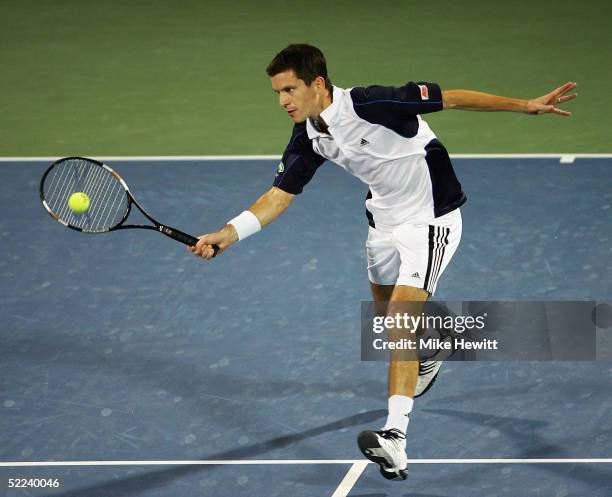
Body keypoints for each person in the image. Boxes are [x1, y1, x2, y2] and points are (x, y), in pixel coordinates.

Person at [189, 44, 577, 480]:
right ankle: (431, 349)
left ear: (317, 83)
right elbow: (279, 196)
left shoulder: (374, 103)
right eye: (278, 92)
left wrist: (526, 106)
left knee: (400, 319)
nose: (283, 100)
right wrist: (228, 233)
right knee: (385, 313)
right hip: (383, 220)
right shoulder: (309, 136)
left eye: (290, 89)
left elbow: (451, 97)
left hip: (431, 218)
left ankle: (396, 437)